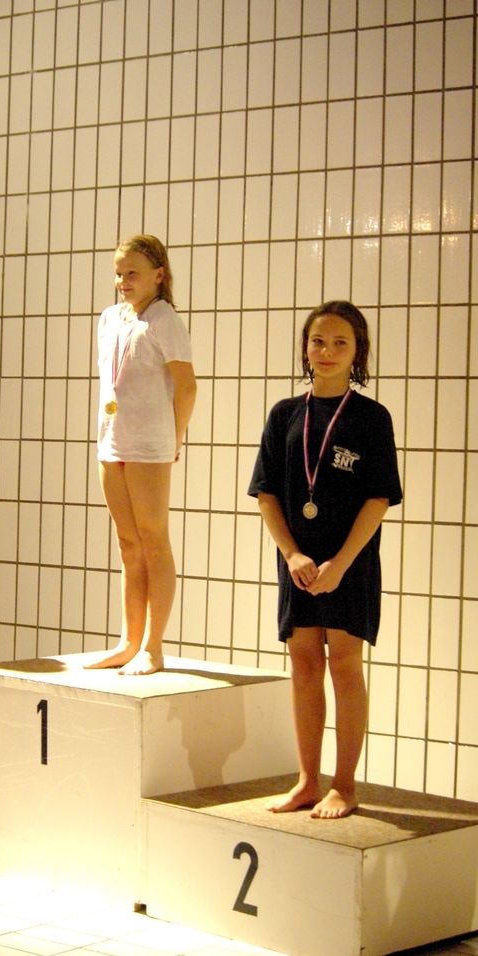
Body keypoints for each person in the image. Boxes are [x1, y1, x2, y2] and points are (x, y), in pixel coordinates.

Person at [248, 301, 402, 818]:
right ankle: (307, 780)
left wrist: (341, 562)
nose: (327, 351)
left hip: (349, 563)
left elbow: (379, 498)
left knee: (345, 665)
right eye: (318, 341)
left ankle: (345, 785)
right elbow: (266, 492)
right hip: (298, 563)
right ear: (305, 348)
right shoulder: (284, 414)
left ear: (358, 351)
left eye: (340, 342)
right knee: (304, 663)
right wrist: (291, 553)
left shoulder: (371, 418)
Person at [87, 235, 196, 676]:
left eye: (132, 272)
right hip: (112, 438)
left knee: (153, 541)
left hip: (150, 443)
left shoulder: (164, 319)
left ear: (159, 274)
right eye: (118, 273)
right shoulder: (110, 317)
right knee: (127, 543)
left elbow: (187, 387)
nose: (123, 281)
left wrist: (174, 438)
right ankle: (128, 641)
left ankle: (154, 645)